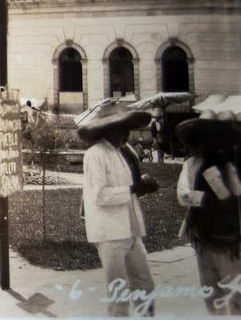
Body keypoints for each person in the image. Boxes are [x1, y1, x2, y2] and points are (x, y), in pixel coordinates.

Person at [78, 103, 159, 317]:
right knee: (118, 290)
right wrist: (134, 188)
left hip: (130, 229)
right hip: (110, 232)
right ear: (108, 130)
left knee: (144, 283)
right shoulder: (95, 155)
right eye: (122, 128)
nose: (127, 133)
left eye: (127, 128)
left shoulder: (122, 152)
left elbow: (127, 187)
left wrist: (141, 187)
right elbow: (100, 196)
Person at [176, 110, 241, 315]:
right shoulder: (191, 164)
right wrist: (205, 198)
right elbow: (182, 195)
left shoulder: (232, 162)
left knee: (235, 290)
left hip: (230, 237)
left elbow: (237, 194)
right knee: (210, 288)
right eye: (202, 138)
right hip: (202, 234)